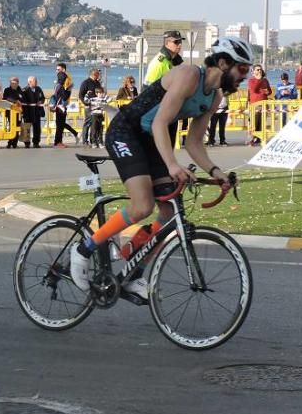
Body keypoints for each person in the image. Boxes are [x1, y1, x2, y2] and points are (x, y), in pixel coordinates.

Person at [69, 37, 255, 299]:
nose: (244, 77)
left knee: (169, 211)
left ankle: (134, 273)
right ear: (223, 63)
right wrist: (172, 165)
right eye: (243, 69)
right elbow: (159, 123)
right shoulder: (189, 76)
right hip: (126, 132)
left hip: (153, 141)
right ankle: (84, 249)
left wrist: (216, 172)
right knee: (143, 205)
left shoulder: (213, 97)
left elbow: (193, 142)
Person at [52, 62, 78, 147]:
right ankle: (58, 141)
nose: (57, 71)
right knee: (60, 123)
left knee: (60, 123)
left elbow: (64, 92)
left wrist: (57, 100)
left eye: (58, 69)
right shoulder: (67, 77)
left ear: (63, 70)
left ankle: (58, 142)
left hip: (61, 104)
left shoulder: (63, 76)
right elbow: (67, 90)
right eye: (56, 69)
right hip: (61, 103)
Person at [246, 64, 271, 146]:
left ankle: (259, 139)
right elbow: (254, 89)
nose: (259, 71)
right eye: (257, 69)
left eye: (260, 69)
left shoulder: (265, 80)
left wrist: (267, 92)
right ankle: (251, 139)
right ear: (253, 71)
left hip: (264, 104)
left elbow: (270, 91)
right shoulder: (251, 80)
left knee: (262, 122)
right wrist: (259, 79)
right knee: (253, 122)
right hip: (255, 104)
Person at [78, 68, 103, 144]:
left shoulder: (97, 83)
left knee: (95, 124)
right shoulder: (86, 82)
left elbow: (100, 92)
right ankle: (85, 140)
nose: (99, 76)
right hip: (89, 106)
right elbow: (81, 94)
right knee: (88, 122)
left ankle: (93, 139)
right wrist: (86, 103)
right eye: (98, 74)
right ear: (94, 74)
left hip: (96, 106)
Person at [20, 75, 45, 148]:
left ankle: (36, 143)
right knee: (26, 127)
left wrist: (40, 101)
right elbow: (22, 101)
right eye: (35, 81)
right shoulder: (24, 90)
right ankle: (27, 143)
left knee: (37, 128)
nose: (37, 82)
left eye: (36, 81)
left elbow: (42, 98)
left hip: (37, 111)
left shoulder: (38, 89)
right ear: (30, 82)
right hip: (28, 112)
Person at [3, 76, 24, 148]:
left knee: (17, 127)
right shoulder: (7, 90)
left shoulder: (20, 90)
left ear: (18, 83)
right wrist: (15, 101)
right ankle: (9, 142)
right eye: (12, 82)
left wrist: (19, 101)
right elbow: (6, 98)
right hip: (10, 111)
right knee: (11, 127)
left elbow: (22, 99)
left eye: (15, 82)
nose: (14, 84)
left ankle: (15, 143)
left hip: (18, 112)